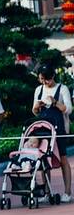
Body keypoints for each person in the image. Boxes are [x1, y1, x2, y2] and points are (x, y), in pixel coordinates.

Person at [32, 64, 72, 202]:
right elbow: (34, 111)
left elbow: (68, 109)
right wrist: (37, 107)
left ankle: (67, 192)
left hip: (58, 128)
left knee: (63, 158)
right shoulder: (39, 90)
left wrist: (55, 102)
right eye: (41, 79)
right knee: (43, 159)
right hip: (43, 128)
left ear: (53, 76)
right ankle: (46, 192)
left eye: (47, 79)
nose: (44, 82)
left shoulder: (62, 89)